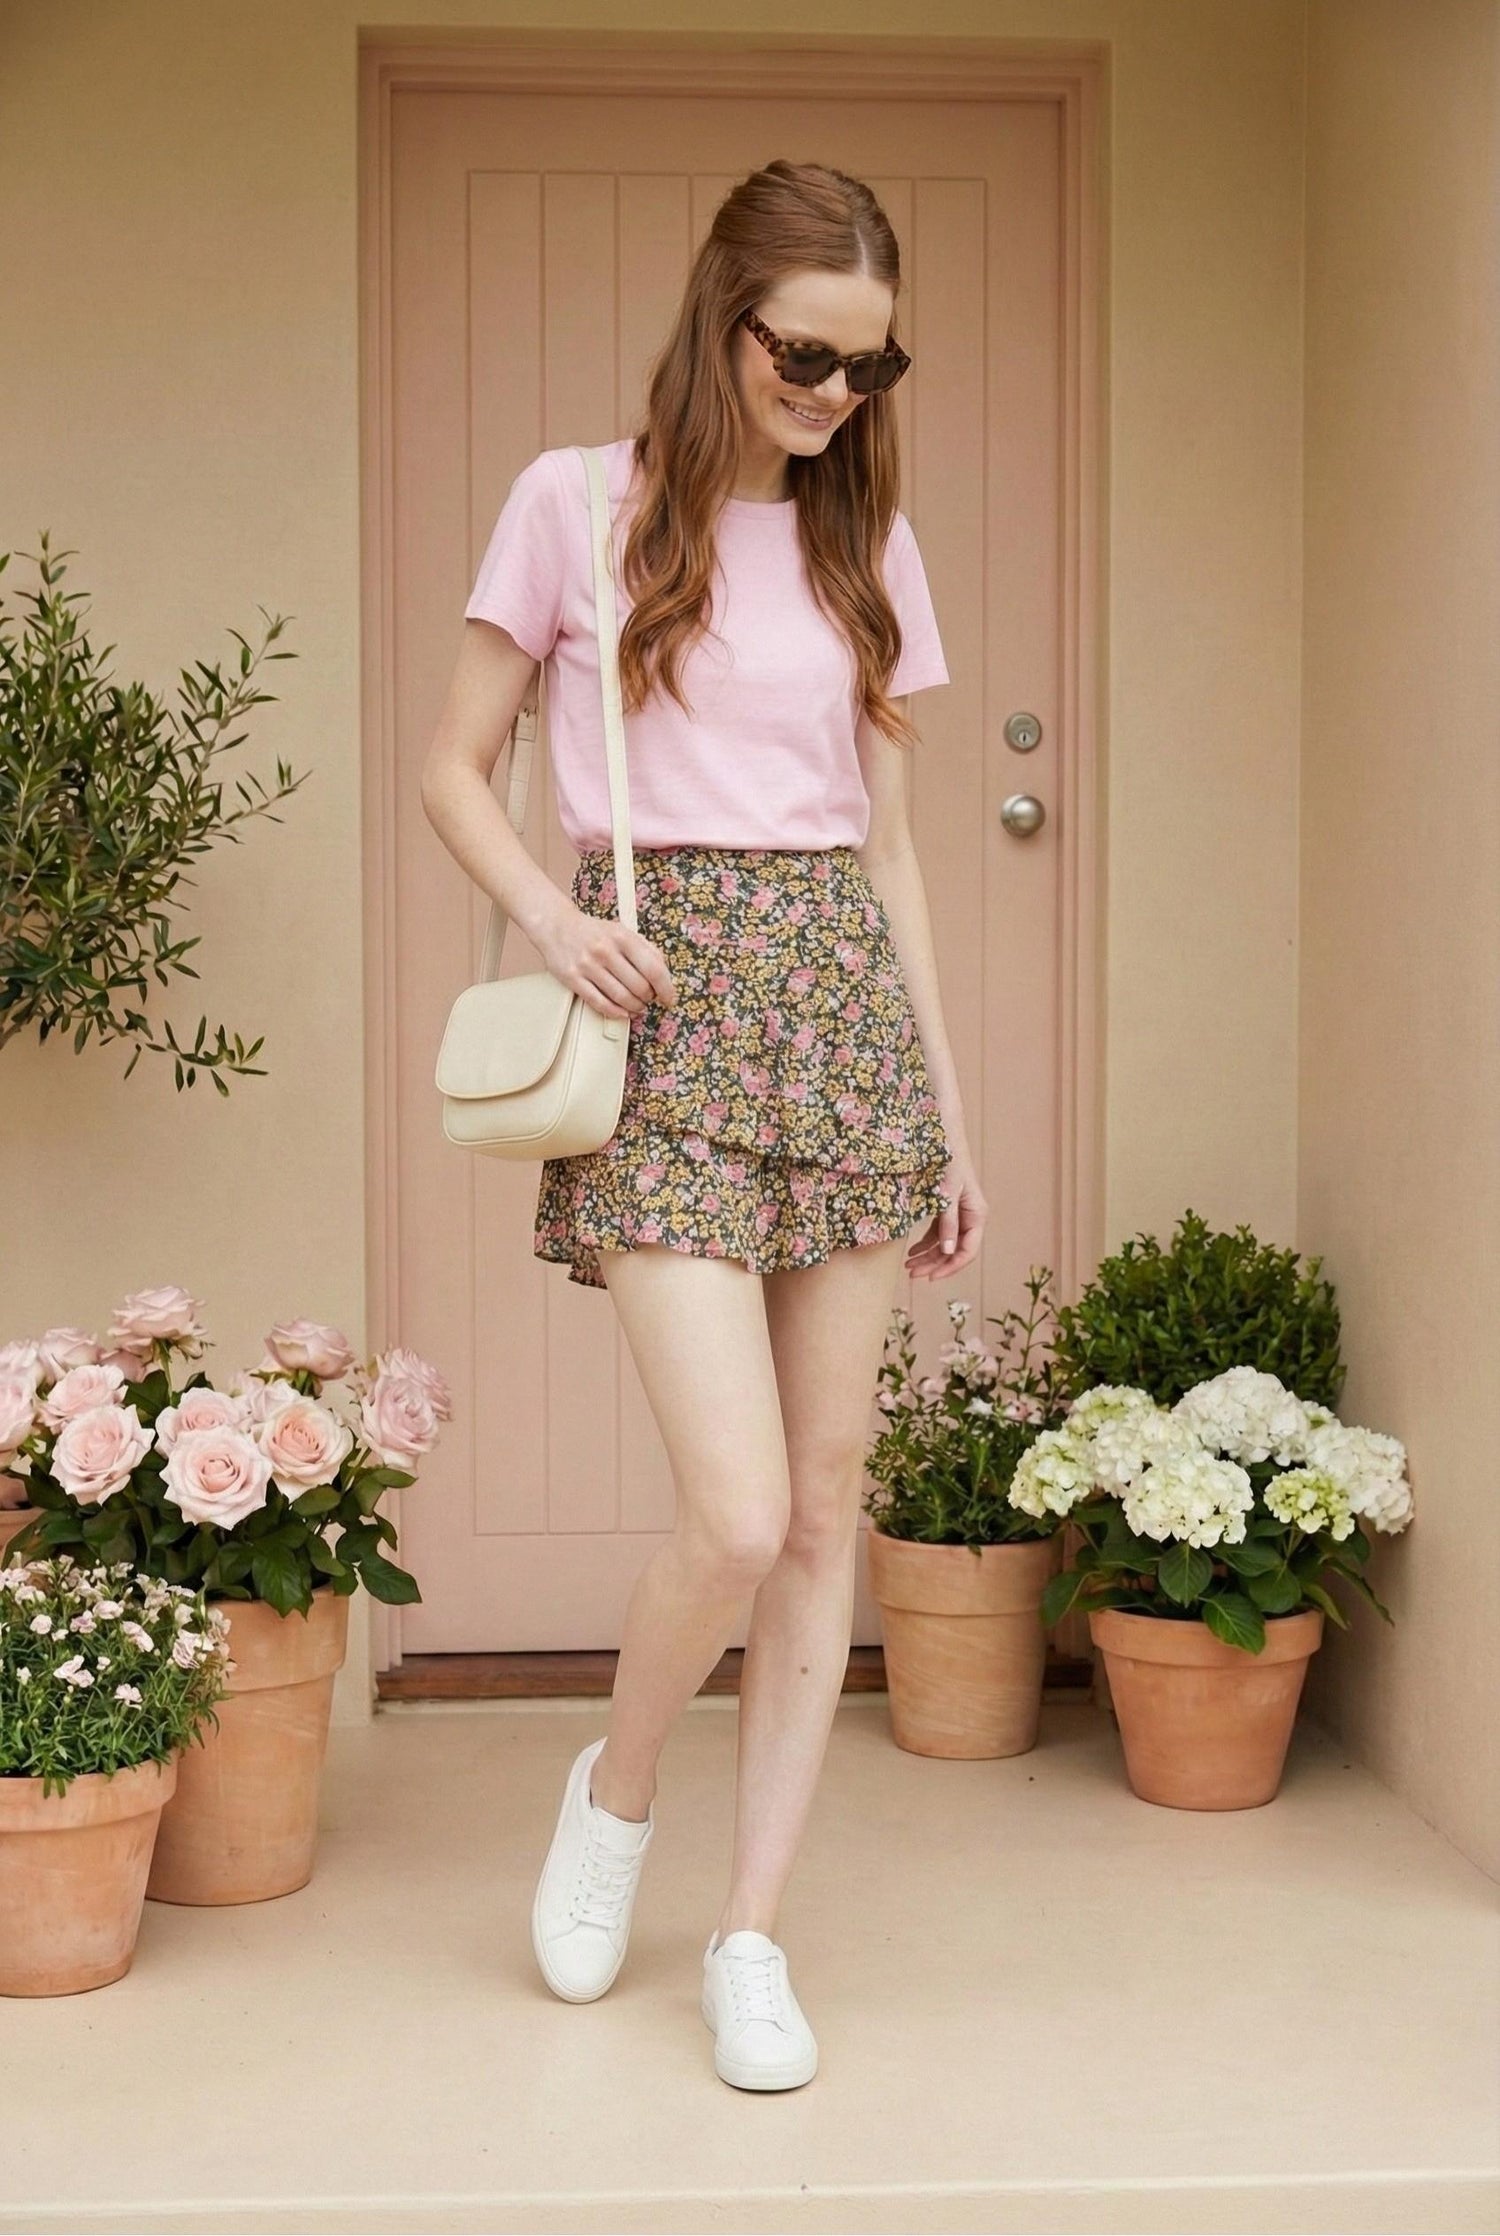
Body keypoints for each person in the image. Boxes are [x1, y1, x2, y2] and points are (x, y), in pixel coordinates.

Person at [420, 158, 987, 2092]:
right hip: (662, 1009)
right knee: (735, 1510)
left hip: (842, 1020)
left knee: (822, 1511)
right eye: (801, 355)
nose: (833, 394)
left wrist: (947, 1112)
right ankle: (619, 1792)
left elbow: (893, 856)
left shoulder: (867, 540)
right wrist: (556, 917)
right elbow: (453, 765)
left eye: (868, 365)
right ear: (721, 317)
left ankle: (751, 1929)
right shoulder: (579, 504)